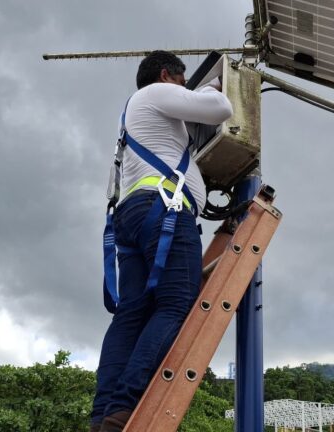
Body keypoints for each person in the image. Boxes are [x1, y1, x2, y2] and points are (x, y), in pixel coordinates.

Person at [91, 51, 233, 432]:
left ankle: (105, 415)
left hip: (132, 216)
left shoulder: (131, 119)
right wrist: (215, 86)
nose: (184, 91)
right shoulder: (155, 93)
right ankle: (126, 405)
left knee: (131, 314)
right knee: (176, 303)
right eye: (182, 84)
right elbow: (221, 109)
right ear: (167, 75)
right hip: (165, 211)